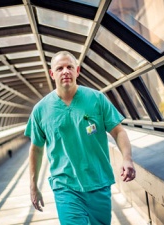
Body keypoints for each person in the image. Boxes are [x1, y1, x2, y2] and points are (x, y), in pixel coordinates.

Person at [24, 50, 136, 225]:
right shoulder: (41, 110)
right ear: (52, 74)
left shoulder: (96, 99)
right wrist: (33, 186)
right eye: (60, 68)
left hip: (98, 182)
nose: (66, 71)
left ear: (78, 71)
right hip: (65, 187)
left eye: (70, 67)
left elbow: (118, 131)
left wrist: (127, 159)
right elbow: (36, 148)